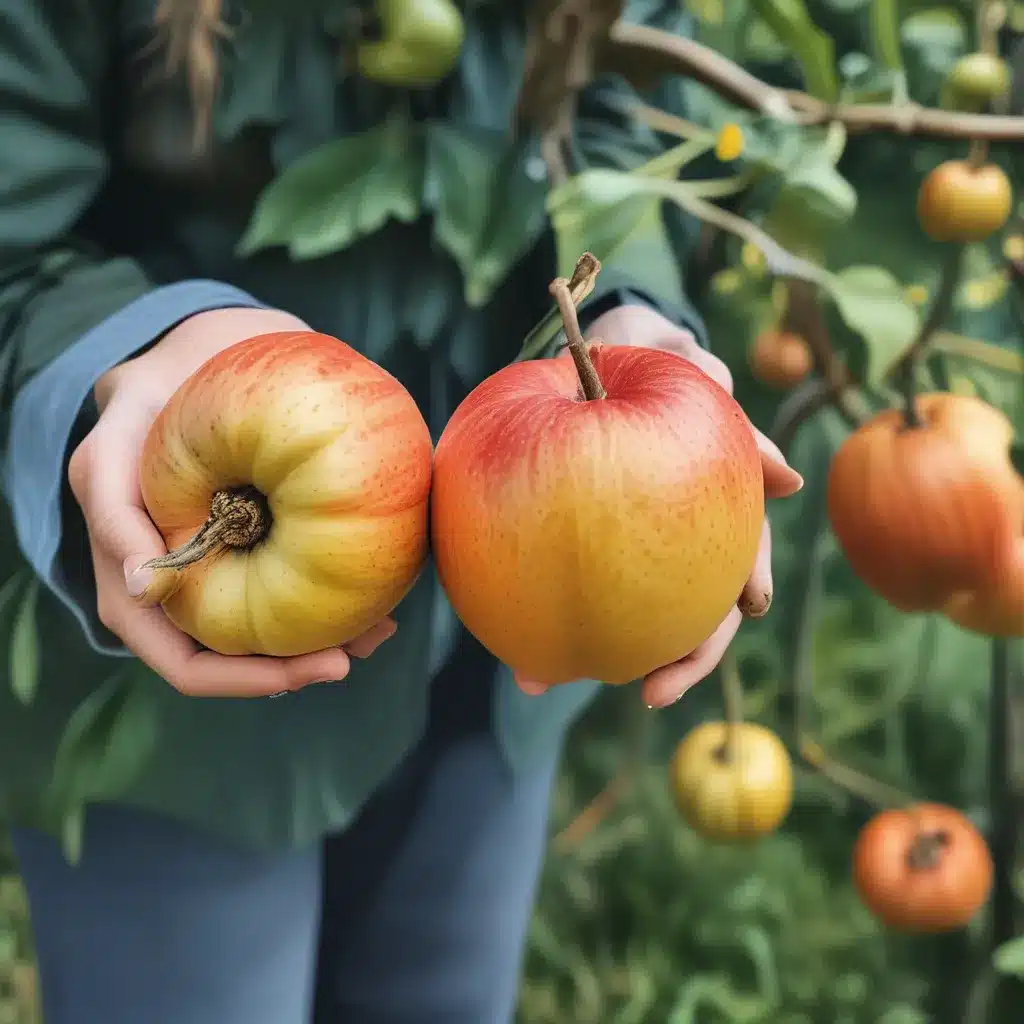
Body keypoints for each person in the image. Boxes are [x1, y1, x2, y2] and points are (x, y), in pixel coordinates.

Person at [0, 1, 802, 1022]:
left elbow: (617, 105)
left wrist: (629, 317)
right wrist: (142, 345)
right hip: (175, 636)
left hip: (514, 629)